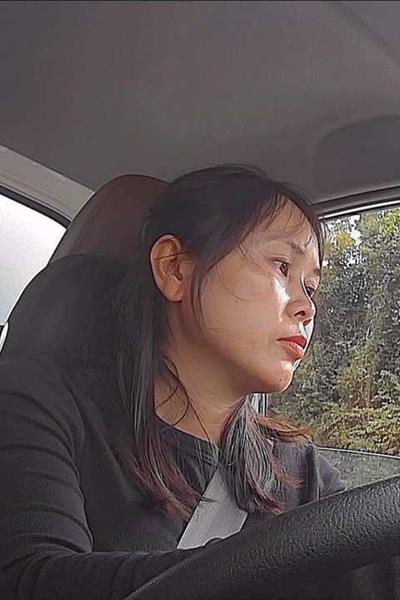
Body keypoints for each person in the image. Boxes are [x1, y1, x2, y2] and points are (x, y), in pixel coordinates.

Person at [0, 165, 345, 600]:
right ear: (175, 269)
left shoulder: (303, 474)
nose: (306, 308)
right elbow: (31, 580)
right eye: (282, 266)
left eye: (310, 287)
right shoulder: (37, 404)